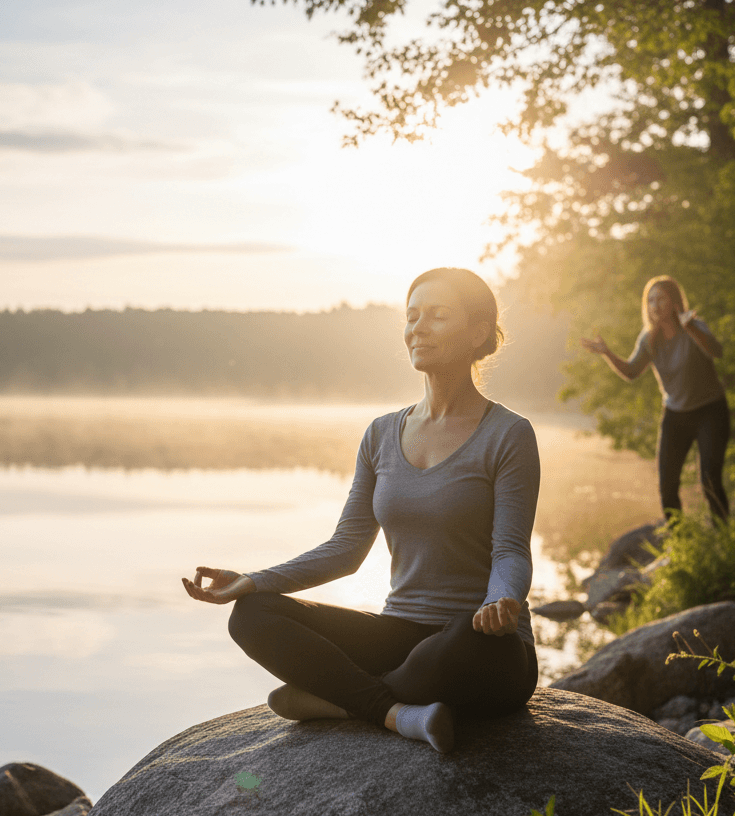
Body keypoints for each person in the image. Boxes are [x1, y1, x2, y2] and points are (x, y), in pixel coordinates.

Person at [181, 267, 540, 755]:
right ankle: (393, 712)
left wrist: (502, 603)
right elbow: (346, 549)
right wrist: (255, 579)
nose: (418, 328)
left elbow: (510, 550)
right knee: (251, 616)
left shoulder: (509, 435)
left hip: (480, 640)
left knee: (458, 650)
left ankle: (341, 700)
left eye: (437, 316)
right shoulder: (380, 435)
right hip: (400, 633)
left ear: (478, 333)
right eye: (412, 316)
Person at [581, 275, 729, 521]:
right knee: (667, 487)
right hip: (675, 415)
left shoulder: (693, 325)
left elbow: (717, 351)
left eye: (661, 298)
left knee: (710, 479)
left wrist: (690, 327)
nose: (656, 304)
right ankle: (680, 544)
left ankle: (725, 540)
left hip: (710, 411)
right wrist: (606, 353)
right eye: (651, 300)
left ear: (674, 301)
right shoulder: (648, 339)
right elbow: (631, 372)